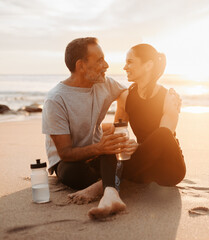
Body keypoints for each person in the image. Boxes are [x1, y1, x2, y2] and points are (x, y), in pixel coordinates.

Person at [42, 37, 139, 219]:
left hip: (99, 154)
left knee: (121, 149)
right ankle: (110, 184)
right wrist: (99, 148)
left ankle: (105, 188)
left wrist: (120, 125)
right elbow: (65, 152)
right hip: (68, 162)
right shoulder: (56, 100)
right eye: (99, 60)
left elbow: (127, 93)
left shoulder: (104, 83)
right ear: (81, 66)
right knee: (76, 174)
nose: (106, 65)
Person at [115, 43, 186, 186]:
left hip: (168, 168)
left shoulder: (168, 97)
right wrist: (125, 144)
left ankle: (107, 183)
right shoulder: (125, 97)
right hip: (142, 168)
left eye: (130, 62)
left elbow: (163, 142)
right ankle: (112, 178)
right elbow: (119, 132)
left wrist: (138, 147)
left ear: (148, 65)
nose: (124, 67)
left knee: (163, 134)